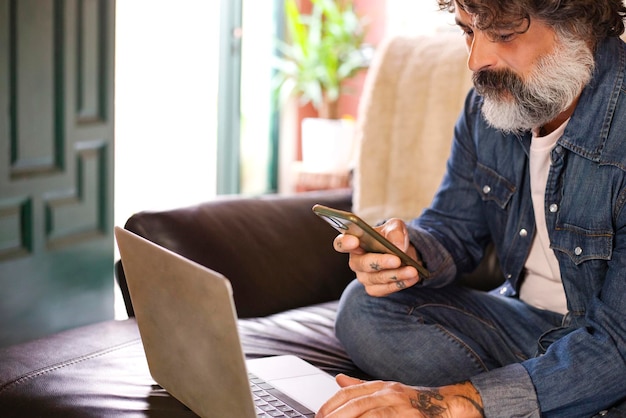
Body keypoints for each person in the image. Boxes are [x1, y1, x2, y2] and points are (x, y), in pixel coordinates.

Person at [316, 0, 626, 417]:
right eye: (468, 31)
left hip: (608, 341)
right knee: (363, 307)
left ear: (576, 27)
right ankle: (559, 396)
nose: (476, 60)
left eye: (501, 34)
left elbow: (618, 341)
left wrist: (452, 403)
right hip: (524, 328)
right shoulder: (491, 106)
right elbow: (454, 225)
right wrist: (409, 252)